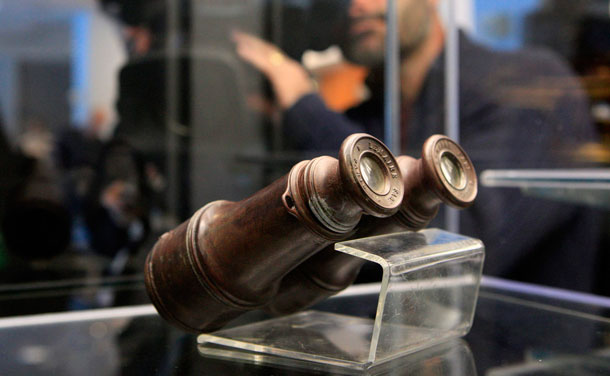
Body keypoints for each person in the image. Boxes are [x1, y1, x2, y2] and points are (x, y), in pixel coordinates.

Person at [233, 0, 603, 293]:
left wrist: (303, 103)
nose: (354, 5)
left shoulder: (526, 78)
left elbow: (455, 252)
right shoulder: (367, 118)